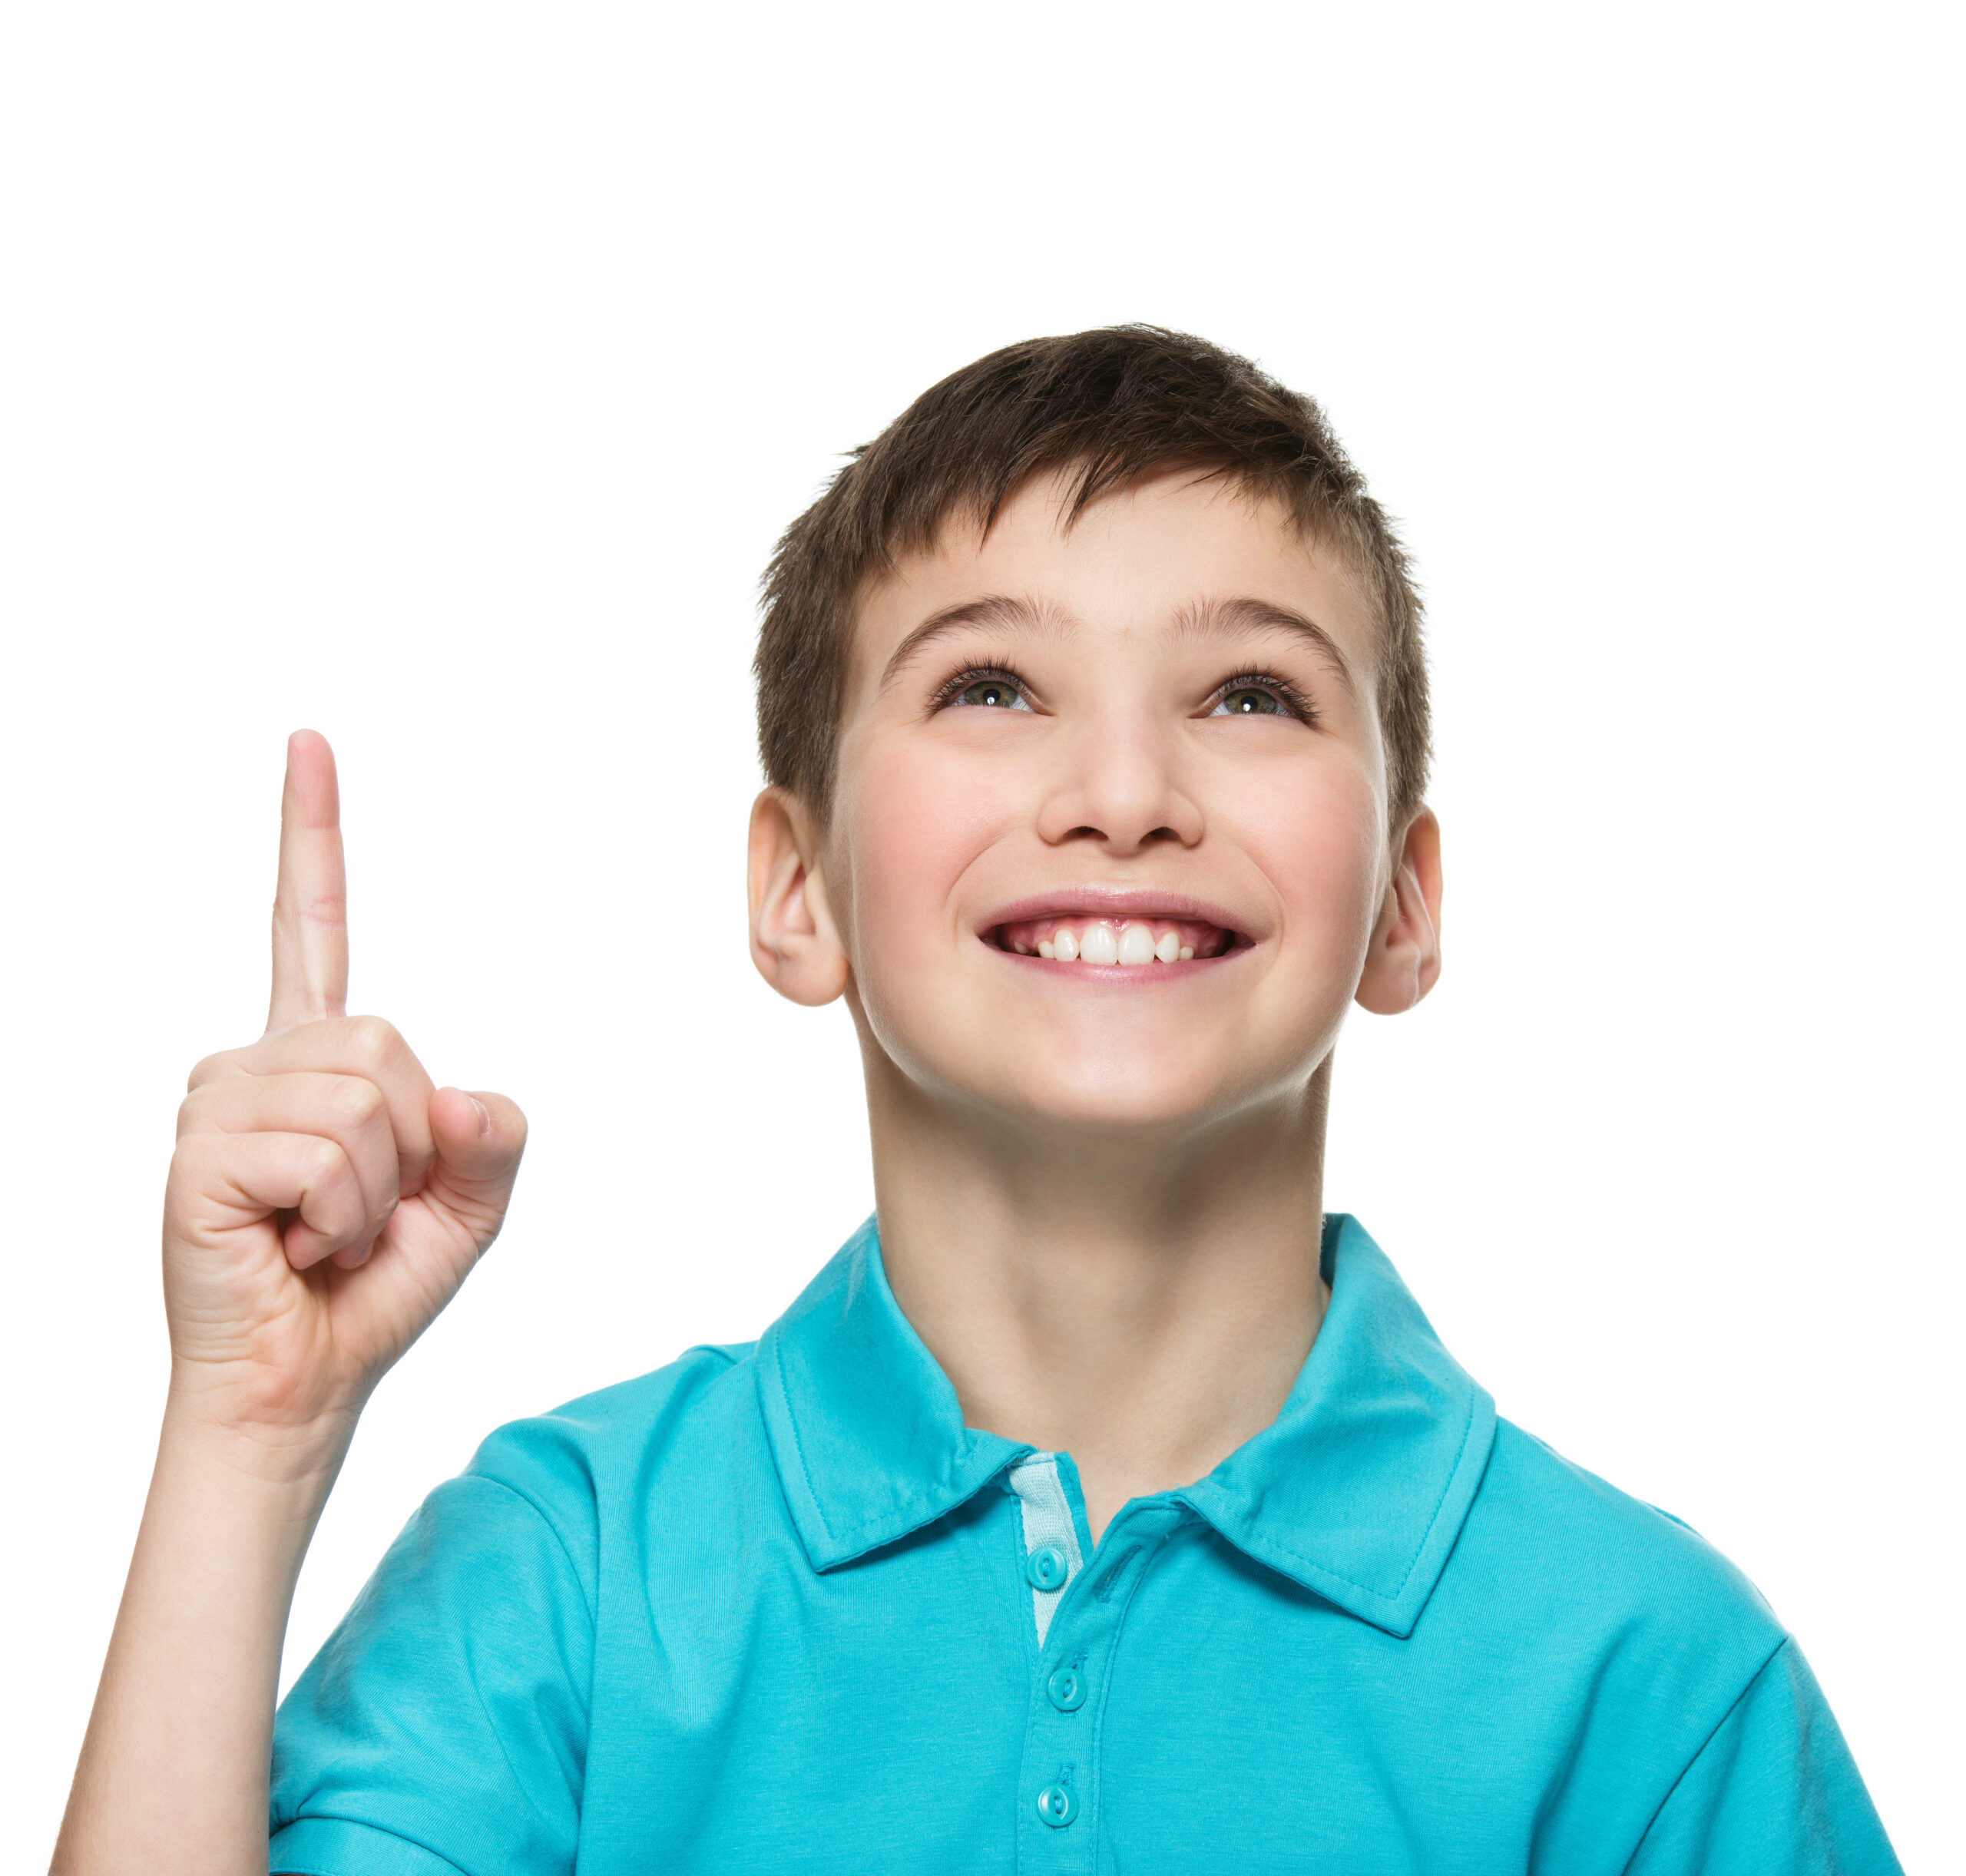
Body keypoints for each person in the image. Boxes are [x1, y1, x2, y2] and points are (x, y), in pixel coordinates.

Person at [54, 329, 1900, 1874]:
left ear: (1402, 902)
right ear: (797, 886)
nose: (1119, 785)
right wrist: (249, 1439)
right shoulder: (579, 1572)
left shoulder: (1649, 1681)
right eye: (994, 684)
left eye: (1249, 691)